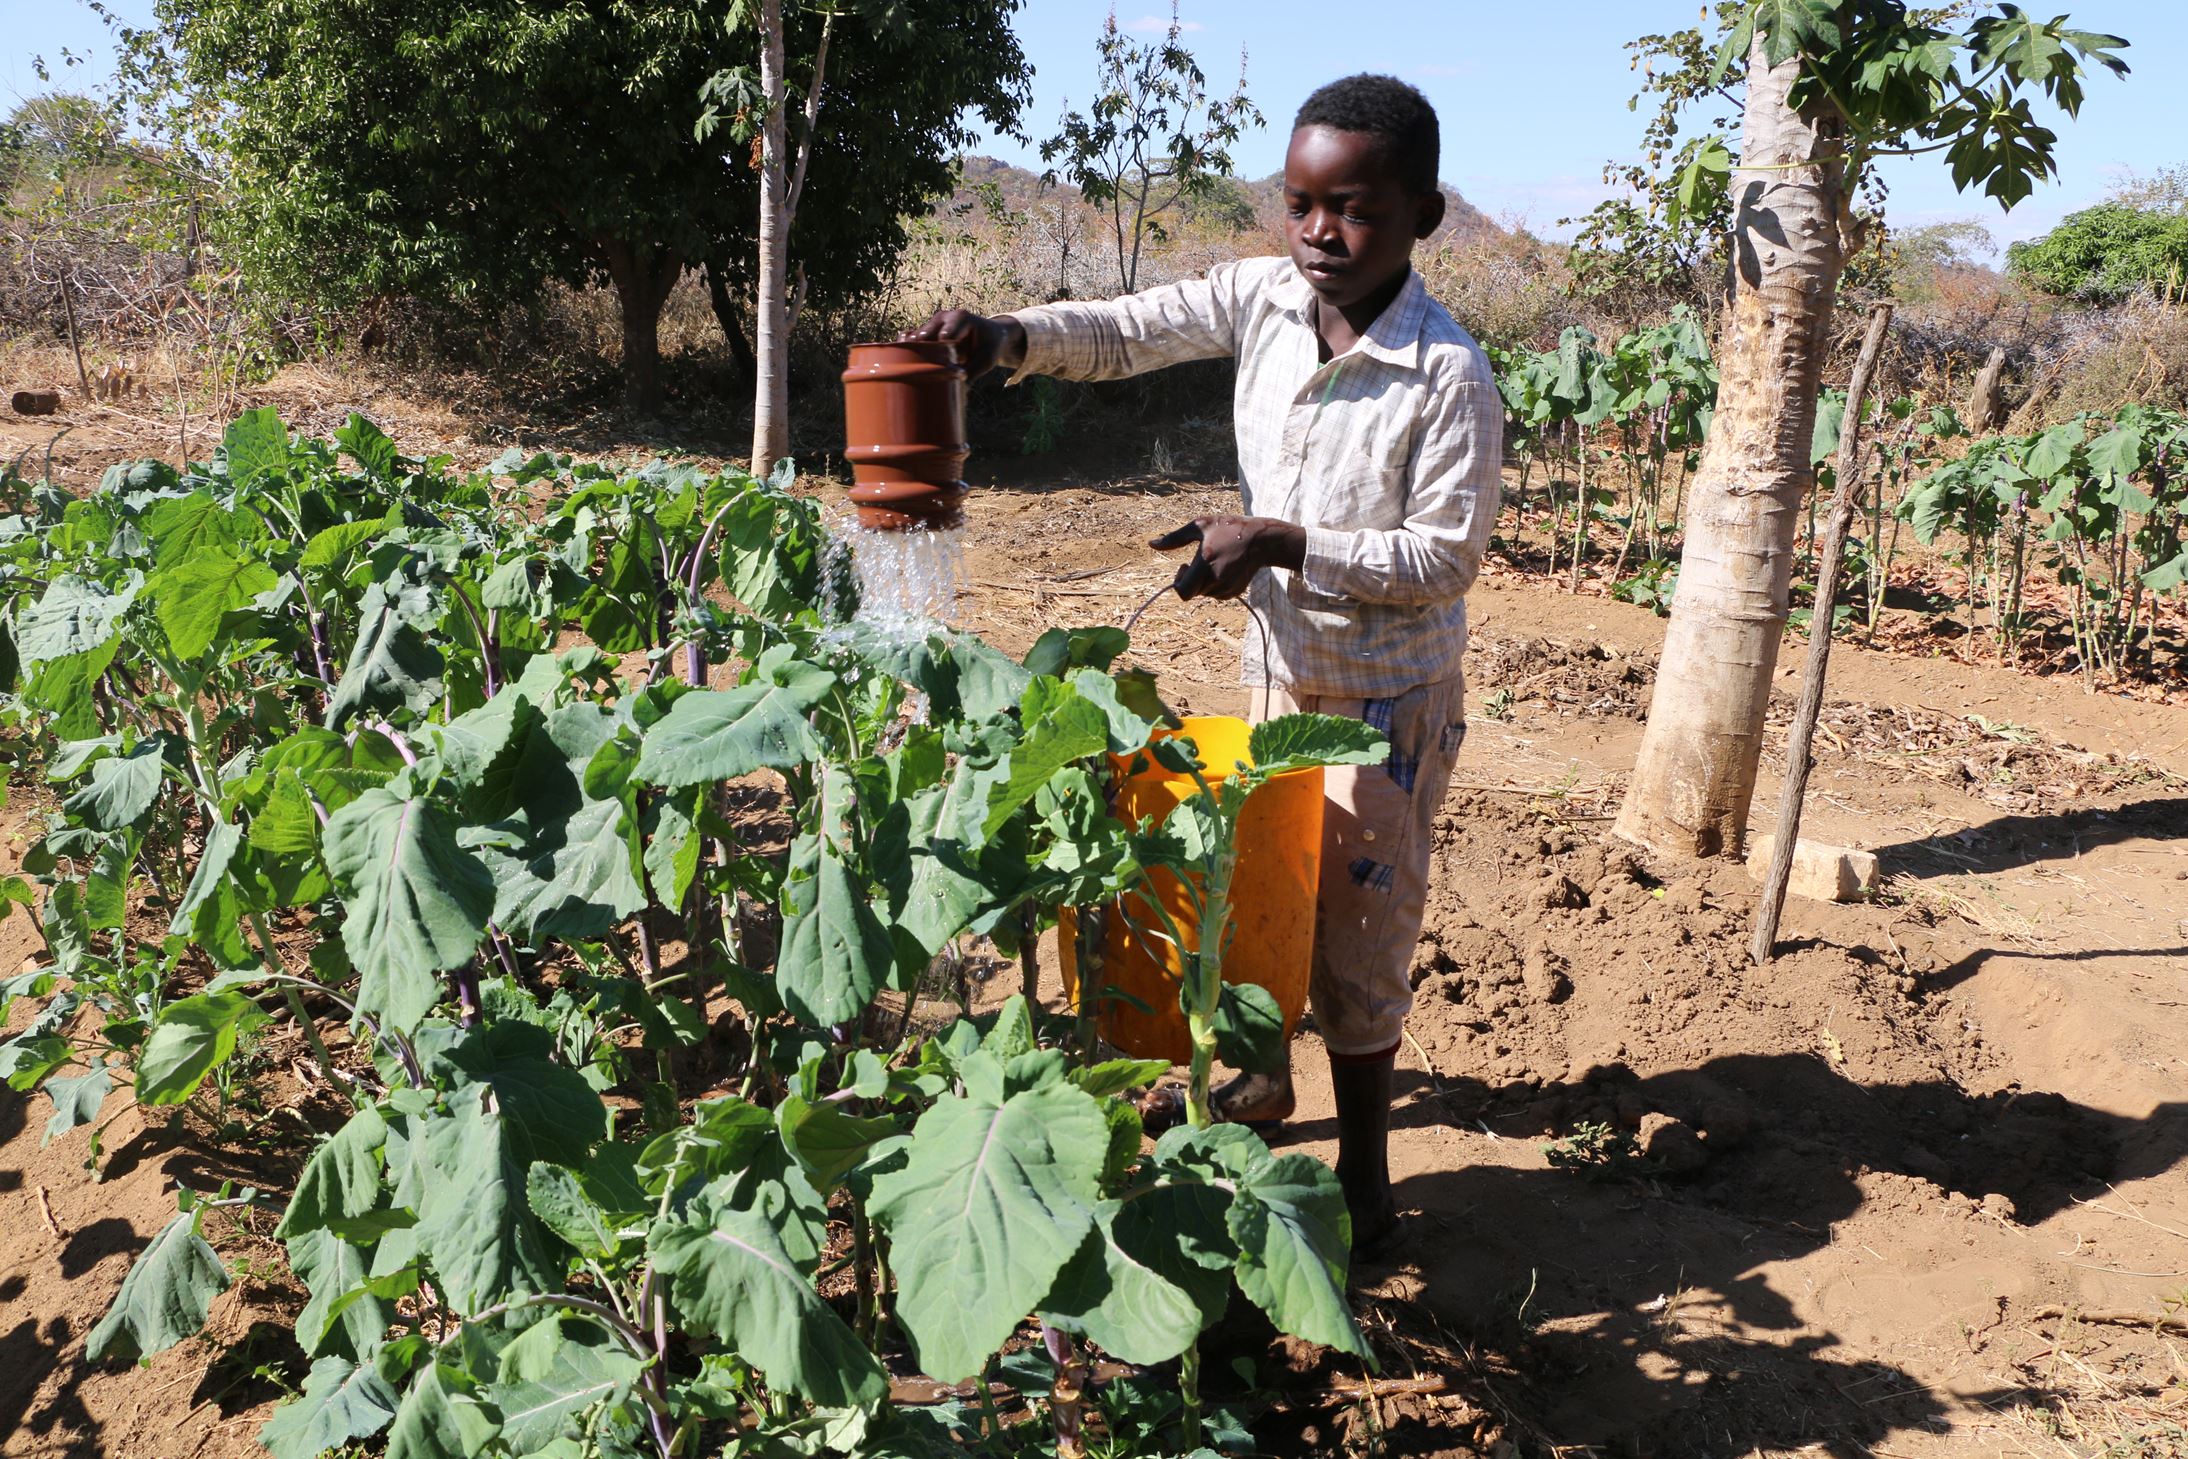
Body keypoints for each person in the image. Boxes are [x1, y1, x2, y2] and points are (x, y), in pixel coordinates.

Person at [903, 74, 1501, 1253]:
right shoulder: (1265, 300)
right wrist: (1008, 338)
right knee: (1258, 897)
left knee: (1362, 940)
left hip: (1385, 697)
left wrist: (1279, 539)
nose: (1321, 233)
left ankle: (1370, 1181)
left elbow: (1441, 558)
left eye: (1356, 210)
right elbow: (1130, 328)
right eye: (1300, 203)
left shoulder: (1447, 373)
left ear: (1422, 217)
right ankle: (1265, 1089)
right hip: (1280, 676)